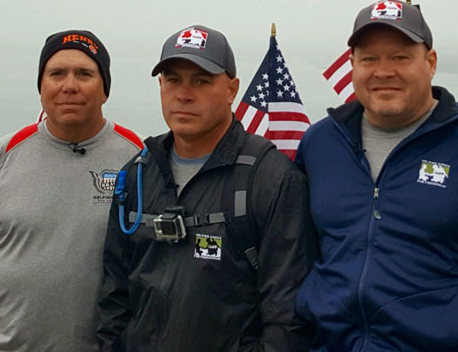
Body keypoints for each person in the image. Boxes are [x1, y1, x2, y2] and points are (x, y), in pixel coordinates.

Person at [294, 0, 458, 350]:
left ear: (431, 63)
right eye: (369, 59)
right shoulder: (319, 144)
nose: (384, 71)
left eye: (400, 57)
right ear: (352, 65)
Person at [0, 30, 143, 352]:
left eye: (85, 74)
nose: (69, 85)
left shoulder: (137, 160)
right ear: (41, 87)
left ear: (104, 89)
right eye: (57, 74)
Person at [97, 25, 318, 352]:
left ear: (232, 89)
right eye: (173, 80)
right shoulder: (138, 174)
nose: (184, 94)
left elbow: (287, 316)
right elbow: (114, 299)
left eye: (201, 80)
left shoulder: (272, 179)